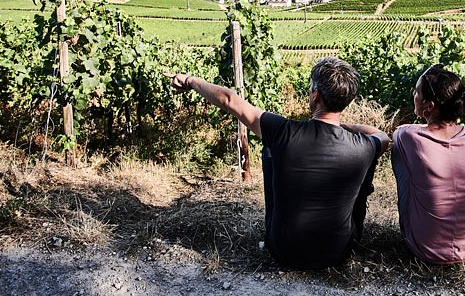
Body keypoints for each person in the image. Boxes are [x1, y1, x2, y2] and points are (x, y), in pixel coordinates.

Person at [166, 57, 389, 270]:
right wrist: (342, 127)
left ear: (315, 95)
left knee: (271, 149)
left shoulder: (283, 132)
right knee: (365, 166)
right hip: (338, 252)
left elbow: (229, 100)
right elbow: (383, 136)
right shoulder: (365, 146)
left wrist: (190, 81)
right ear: (347, 100)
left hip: (284, 250)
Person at [391, 64, 465, 264]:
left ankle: (417, 224)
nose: (413, 94)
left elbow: (408, 133)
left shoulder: (406, 135)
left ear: (429, 106)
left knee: (404, 165)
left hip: (424, 246)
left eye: (417, 92)